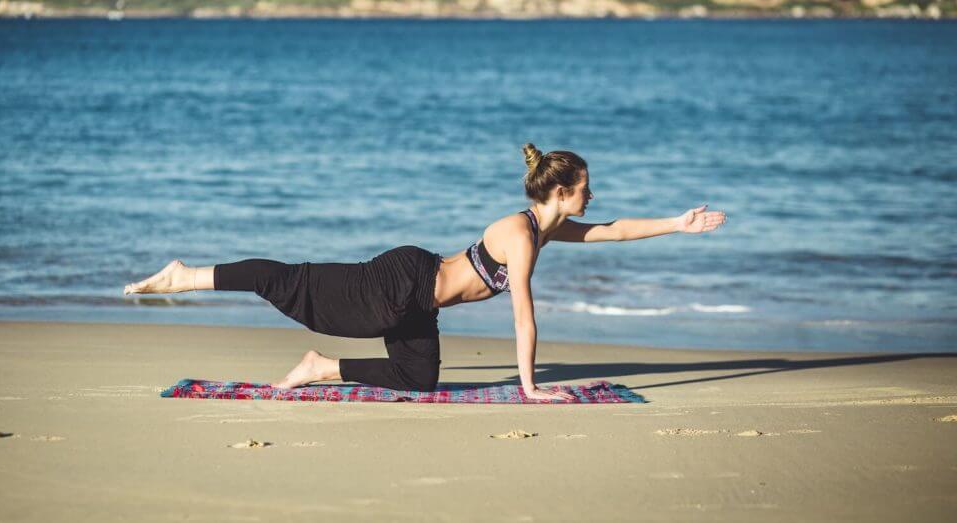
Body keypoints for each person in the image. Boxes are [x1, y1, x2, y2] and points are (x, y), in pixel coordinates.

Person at [123, 142, 726, 401]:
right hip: (401, 284)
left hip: (422, 303)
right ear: (561, 191)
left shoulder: (547, 228)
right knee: (297, 288)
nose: (592, 199)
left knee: (419, 378)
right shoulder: (519, 235)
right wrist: (529, 386)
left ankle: (318, 367)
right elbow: (523, 315)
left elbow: (614, 230)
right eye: (586, 190)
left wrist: (679, 222)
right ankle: (183, 275)